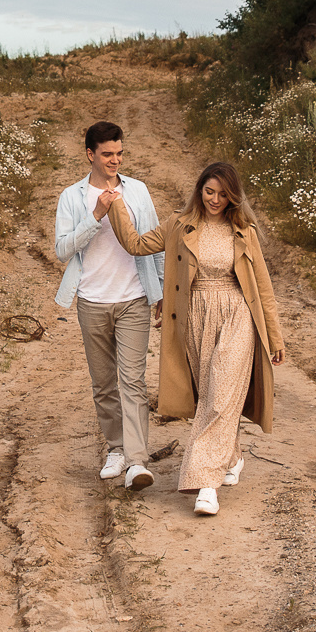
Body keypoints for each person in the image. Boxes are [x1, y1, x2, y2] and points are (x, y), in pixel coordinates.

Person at [104, 160, 285, 516]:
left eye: (222, 194)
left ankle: (205, 483)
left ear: (233, 197)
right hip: (195, 317)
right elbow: (137, 245)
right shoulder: (179, 225)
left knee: (220, 395)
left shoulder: (243, 230)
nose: (215, 199)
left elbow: (262, 286)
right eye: (209, 191)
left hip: (237, 315)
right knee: (211, 394)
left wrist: (274, 337)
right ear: (199, 190)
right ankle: (231, 456)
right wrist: (116, 206)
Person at [54, 121, 165, 490]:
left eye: (119, 153)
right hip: (92, 301)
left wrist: (161, 292)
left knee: (132, 380)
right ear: (90, 154)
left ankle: (136, 461)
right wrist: (96, 215)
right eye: (107, 154)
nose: (115, 160)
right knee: (104, 384)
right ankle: (116, 448)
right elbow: (62, 249)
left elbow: (155, 241)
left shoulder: (139, 191)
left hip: (133, 297)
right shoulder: (72, 197)